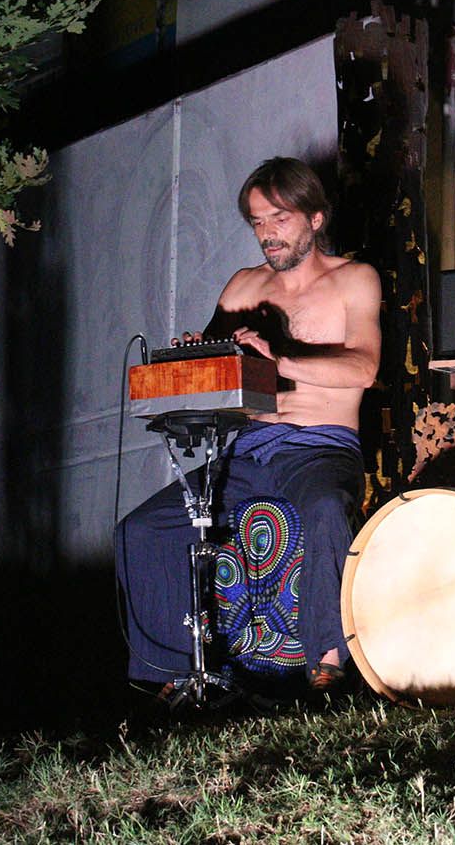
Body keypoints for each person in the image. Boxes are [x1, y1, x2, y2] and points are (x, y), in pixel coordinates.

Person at [116, 156, 381, 694]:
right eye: (258, 222)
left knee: (326, 510)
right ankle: (169, 675)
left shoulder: (354, 280)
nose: (267, 234)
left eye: (279, 219)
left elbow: (366, 368)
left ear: (315, 218)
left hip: (320, 447)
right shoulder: (242, 287)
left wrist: (278, 360)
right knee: (140, 531)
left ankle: (326, 660)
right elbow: (217, 372)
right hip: (250, 450)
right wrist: (195, 358)